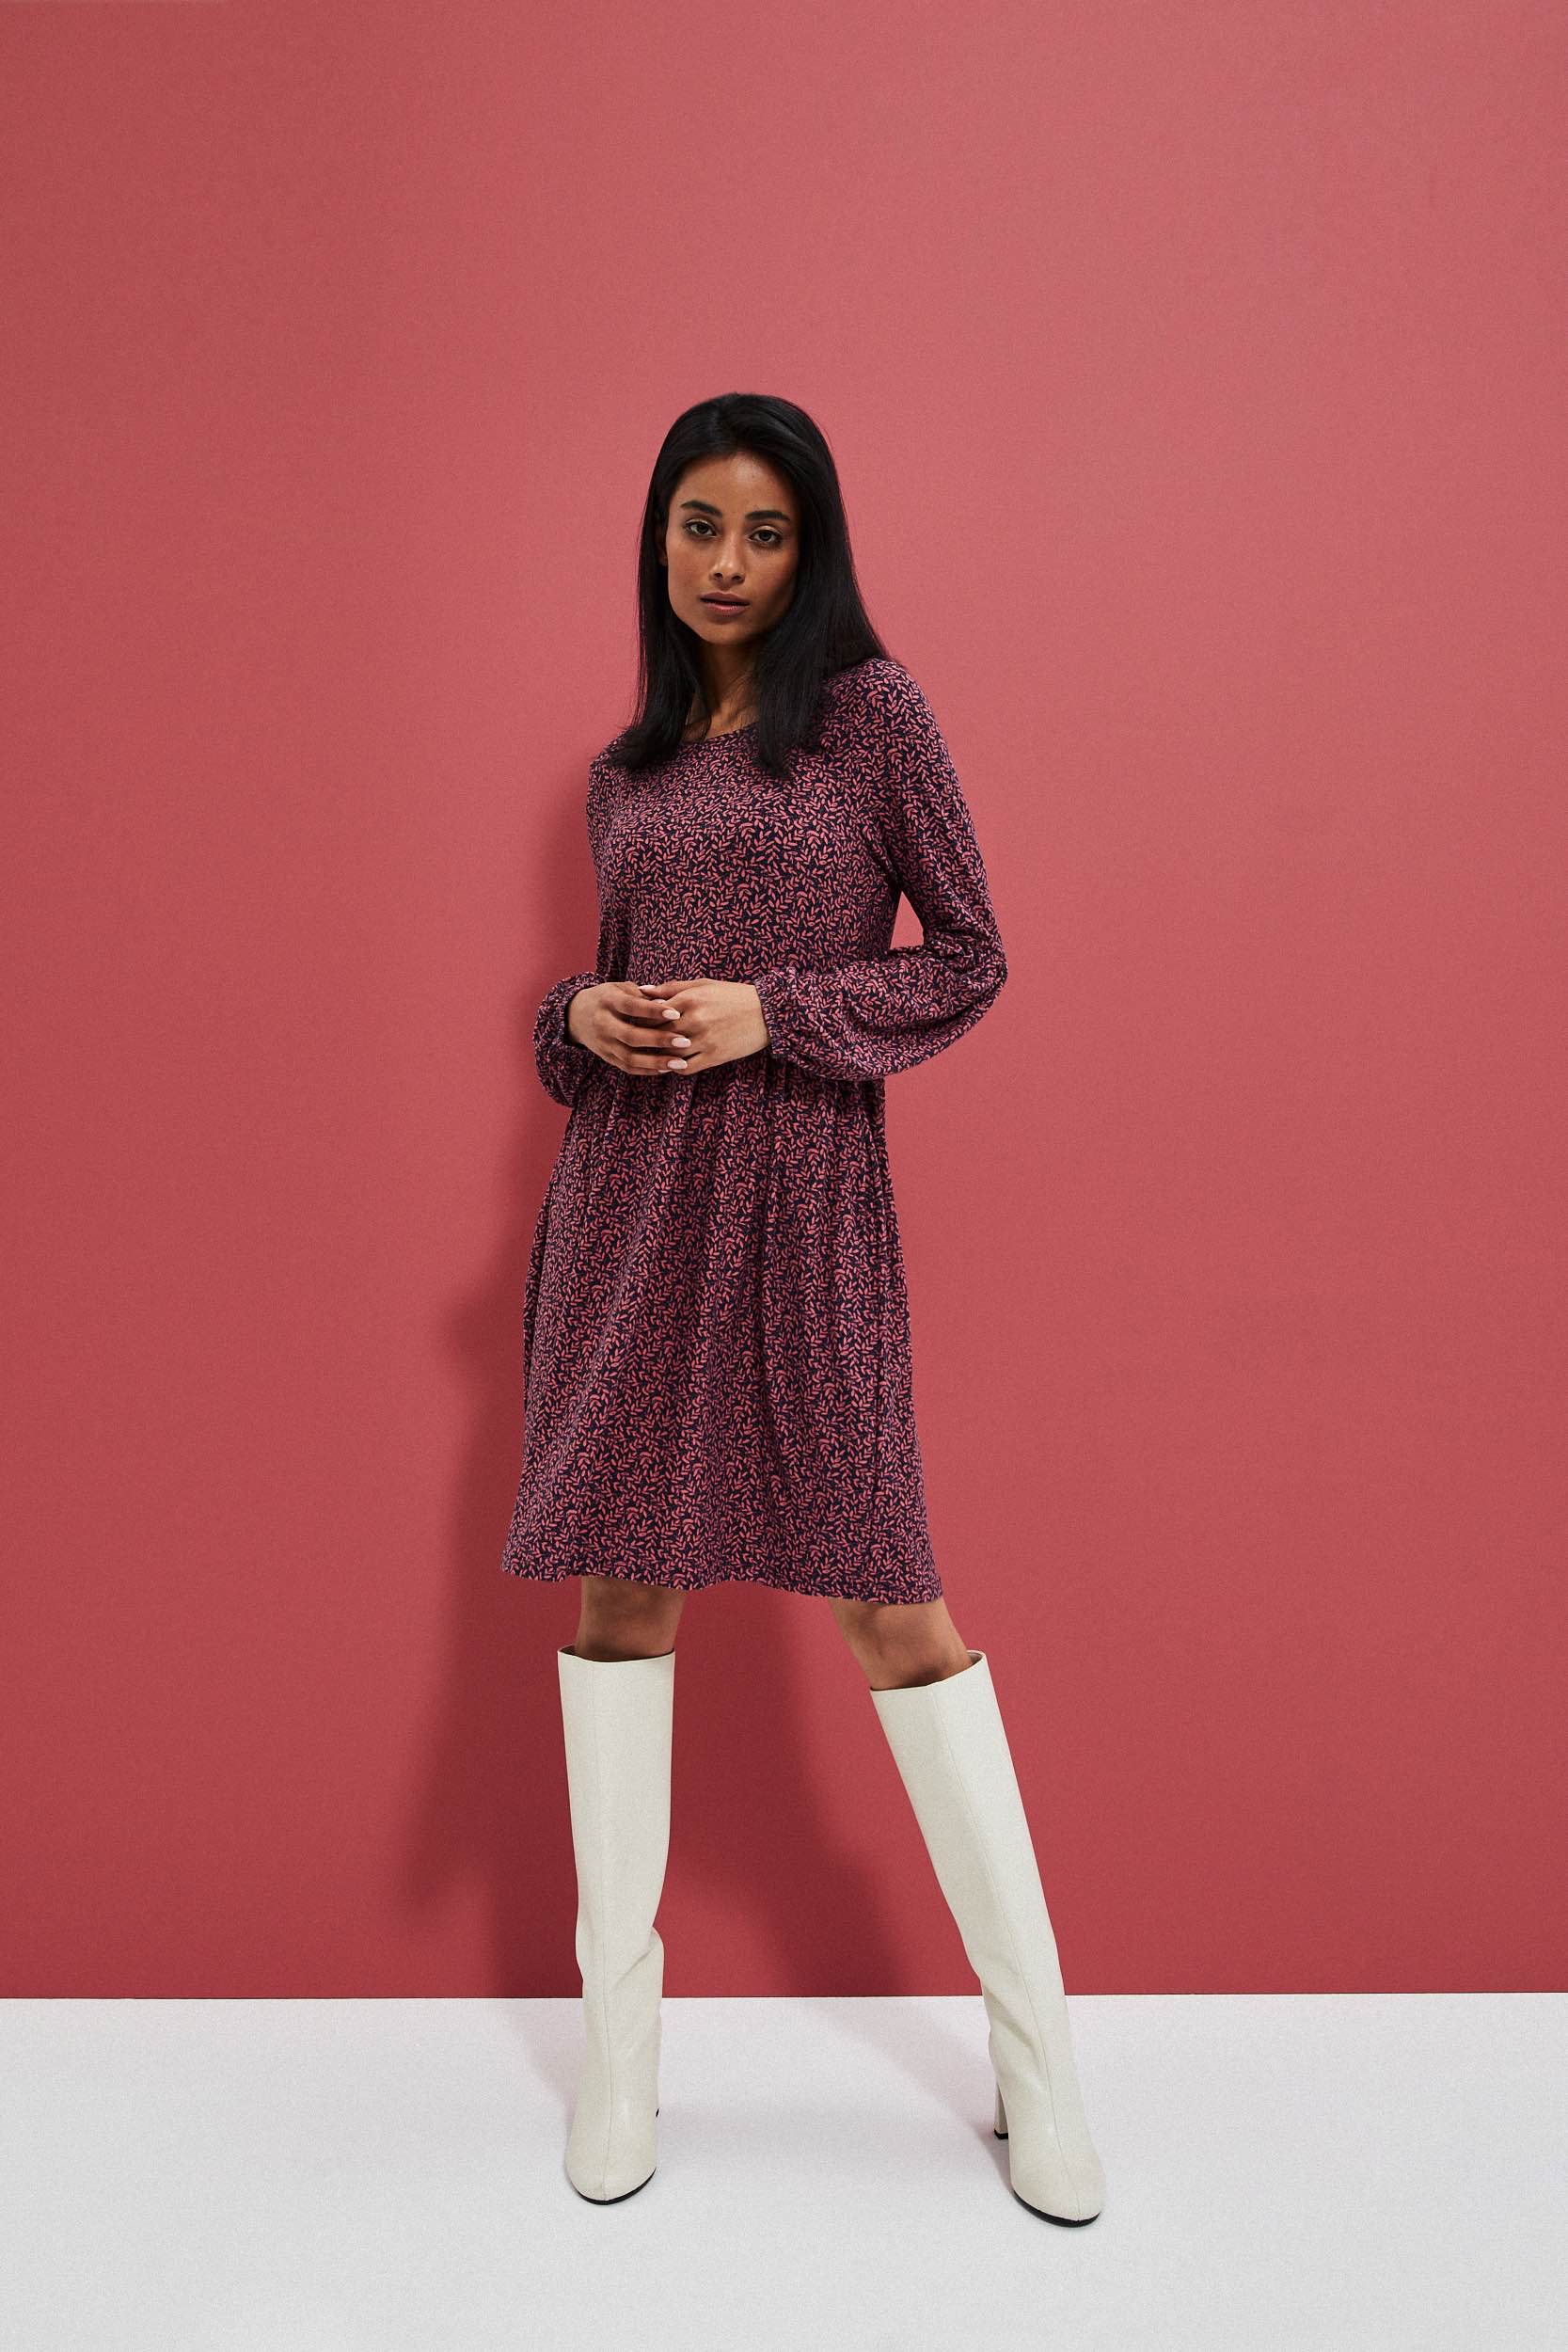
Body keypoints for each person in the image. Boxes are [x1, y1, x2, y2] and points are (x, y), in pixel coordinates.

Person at [500, 393, 1106, 2226]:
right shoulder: (623, 773)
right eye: (700, 525)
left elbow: (971, 955)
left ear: (811, 547)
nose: (729, 563)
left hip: (808, 1208)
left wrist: (778, 1011)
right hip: (629, 1215)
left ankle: (1040, 2064)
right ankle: (623, 2057)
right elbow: (594, 1014)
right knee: (622, 1595)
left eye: (765, 532)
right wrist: (570, 1014)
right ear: (658, 537)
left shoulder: (870, 718)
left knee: (894, 1605)